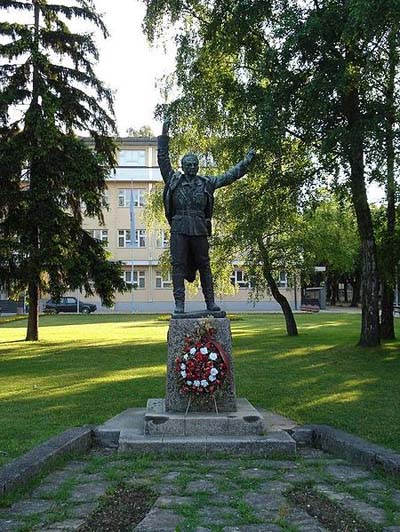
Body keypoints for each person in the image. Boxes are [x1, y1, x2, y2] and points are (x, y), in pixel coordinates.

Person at [158, 119, 256, 314]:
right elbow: (162, 158)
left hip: (199, 227)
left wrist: (248, 161)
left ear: (198, 166)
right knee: (177, 265)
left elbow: (230, 175)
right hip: (179, 227)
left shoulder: (206, 183)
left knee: (204, 265)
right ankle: (179, 304)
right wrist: (164, 134)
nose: (192, 167)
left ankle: (210, 302)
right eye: (189, 164)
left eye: (195, 164)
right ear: (183, 166)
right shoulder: (173, 180)